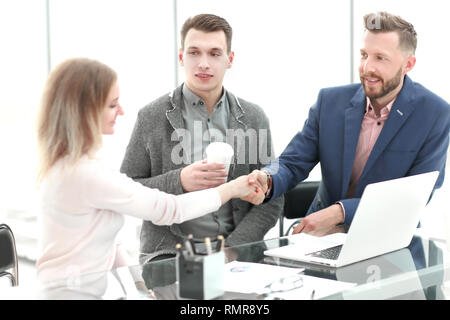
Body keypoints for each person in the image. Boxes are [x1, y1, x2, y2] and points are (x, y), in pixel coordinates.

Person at [35, 58, 260, 283]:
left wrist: (140, 288)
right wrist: (231, 189)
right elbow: (170, 209)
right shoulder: (85, 175)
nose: (121, 111)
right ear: (84, 111)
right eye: (112, 105)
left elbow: (110, 245)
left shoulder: (68, 166)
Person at [245, 11, 450, 234]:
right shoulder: (330, 102)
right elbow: (291, 161)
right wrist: (267, 177)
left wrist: (340, 212)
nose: (366, 67)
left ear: (408, 64)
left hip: (388, 239)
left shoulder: (434, 114)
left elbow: (415, 196)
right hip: (319, 235)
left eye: (380, 58)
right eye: (364, 55)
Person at [120, 13, 283, 262]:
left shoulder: (253, 117)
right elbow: (126, 190)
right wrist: (180, 180)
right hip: (169, 256)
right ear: (181, 57)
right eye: (194, 52)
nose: (203, 63)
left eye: (214, 54)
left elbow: (272, 198)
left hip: (239, 255)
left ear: (229, 59)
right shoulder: (150, 116)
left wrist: (232, 250)